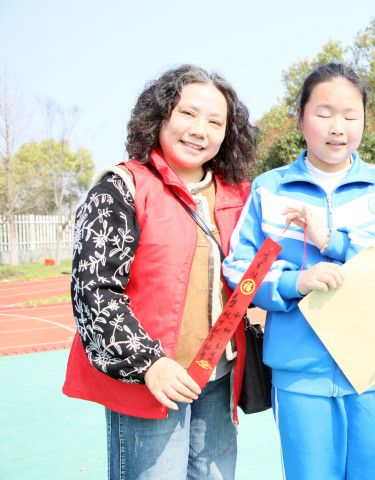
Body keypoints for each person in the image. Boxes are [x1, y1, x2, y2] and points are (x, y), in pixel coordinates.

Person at [222, 63, 375, 480]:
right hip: (300, 378)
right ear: (300, 117)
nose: (338, 127)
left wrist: (335, 242)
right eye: (324, 113)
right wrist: (293, 282)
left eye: (350, 116)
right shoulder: (269, 189)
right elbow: (240, 269)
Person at [63, 65, 258, 479]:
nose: (199, 130)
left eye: (215, 122)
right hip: (151, 381)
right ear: (160, 115)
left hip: (218, 377)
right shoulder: (121, 187)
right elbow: (94, 291)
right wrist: (149, 364)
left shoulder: (240, 193)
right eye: (187, 114)